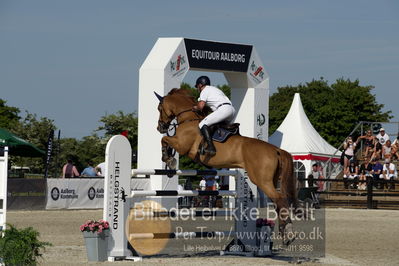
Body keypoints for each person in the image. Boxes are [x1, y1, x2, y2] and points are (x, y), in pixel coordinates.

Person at [192, 76, 236, 155]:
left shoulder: (204, 90)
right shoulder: (215, 89)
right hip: (231, 110)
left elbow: (201, 106)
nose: (197, 88)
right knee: (215, 127)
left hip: (223, 110)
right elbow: (211, 108)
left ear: (200, 85)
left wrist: (195, 107)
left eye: (197, 86)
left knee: (202, 124)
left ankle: (211, 147)